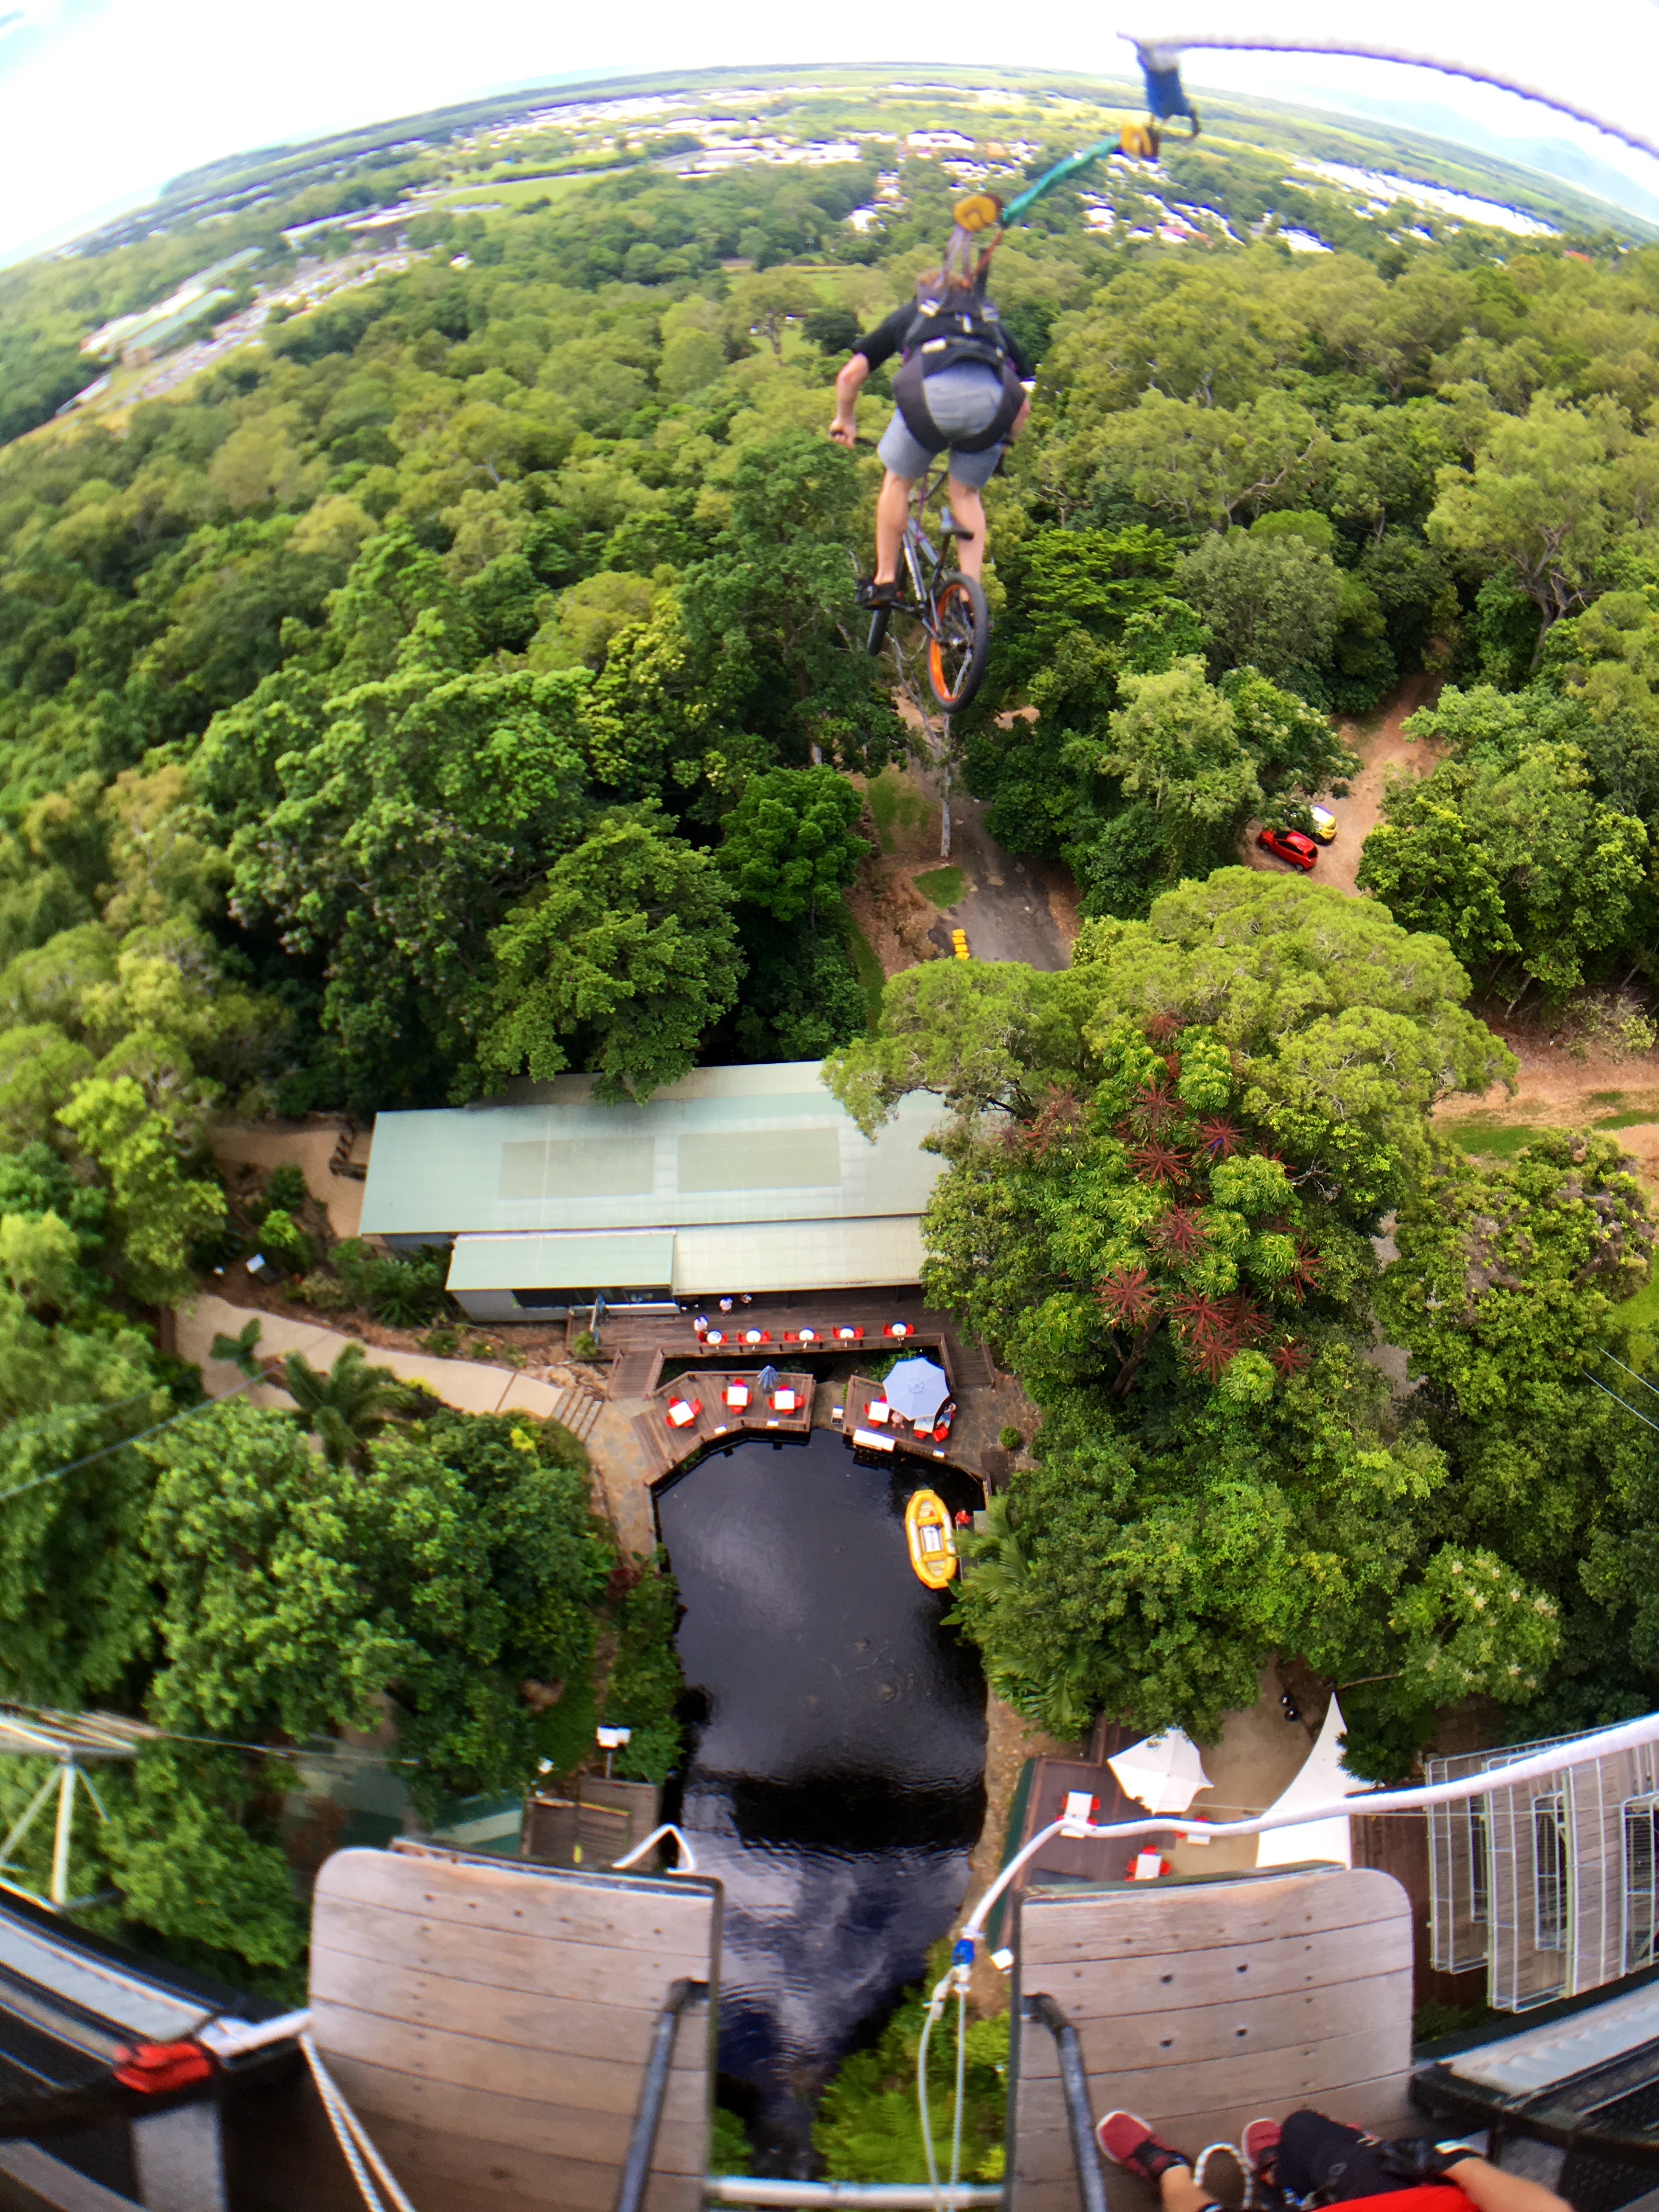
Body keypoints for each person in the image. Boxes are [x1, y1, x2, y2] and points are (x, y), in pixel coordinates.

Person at [829, 238, 1033, 606]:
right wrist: (1004, 444)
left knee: (896, 482)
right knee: (966, 495)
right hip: (991, 412)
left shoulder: (912, 315)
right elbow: (1024, 400)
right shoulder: (988, 323)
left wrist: (845, 420)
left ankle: (886, 581)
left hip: (926, 407)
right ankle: (970, 595)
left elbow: (848, 377)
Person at [1097, 2111, 1571, 2212]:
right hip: (1410, 2201)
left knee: (1188, 2204)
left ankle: (1169, 2170)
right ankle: (1279, 2175)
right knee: (1304, 2132)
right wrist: (1461, 2165)